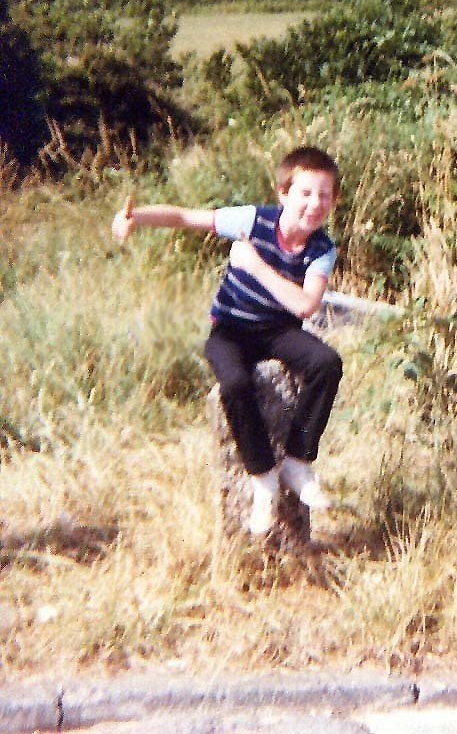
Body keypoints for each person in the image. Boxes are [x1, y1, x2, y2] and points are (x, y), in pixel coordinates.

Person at [112, 146, 344, 536]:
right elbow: (187, 217)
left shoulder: (322, 250)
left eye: (324, 195)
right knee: (234, 384)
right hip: (231, 330)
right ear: (283, 193)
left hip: (281, 330)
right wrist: (137, 217)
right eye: (305, 193)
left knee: (326, 363)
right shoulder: (253, 220)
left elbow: (305, 306)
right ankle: (263, 478)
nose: (315, 204)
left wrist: (254, 265)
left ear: (334, 201)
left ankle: (297, 461)